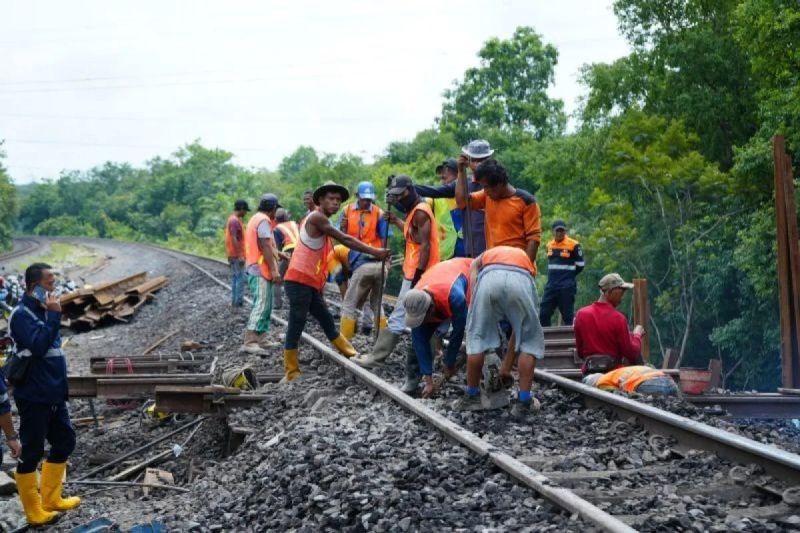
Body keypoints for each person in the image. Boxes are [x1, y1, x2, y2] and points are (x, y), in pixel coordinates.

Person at [282, 181, 390, 383]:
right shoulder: (317, 218)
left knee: (326, 319)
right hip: (298, 281)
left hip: (308, 283)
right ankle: (291, 372)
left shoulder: (322, 220)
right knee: (297, 323)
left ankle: (350, 354)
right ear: (320, 201)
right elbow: (346, 239)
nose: (335, 203)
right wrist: (375, 252)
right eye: (330, 199)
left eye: (338, 200)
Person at [353, 175, 440, 394]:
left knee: (401, 316)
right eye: (396, 196)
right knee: (420, 320)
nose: (399, 200)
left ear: (410, 190)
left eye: (401, 195)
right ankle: (417, 363)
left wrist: (419, 276)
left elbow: (426, 245)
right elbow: (414, 237)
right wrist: (397, 222)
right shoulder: (413, 212)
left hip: (420, 273)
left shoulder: (420, 210)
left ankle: (377, 357)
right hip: (415, 272)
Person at [9, 263, 80, 526]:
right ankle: (34, 512)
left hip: (52, 392)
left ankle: (52, 498)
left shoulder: (41, 309)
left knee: (65, 442)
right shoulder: (21, 315)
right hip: (34, 393)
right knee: (32, 450)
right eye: (50, 284)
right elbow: (38, 347)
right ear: (33, 286)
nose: (54, 288)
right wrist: (53, 316)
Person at [454, 247, 545, 418]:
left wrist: (474, 299)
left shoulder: (488, 253)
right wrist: (507, 365)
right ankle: (524, 402)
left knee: (477, 338)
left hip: (489, 278)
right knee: (528, 341)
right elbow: (519, 332)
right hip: (521, 279)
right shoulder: (526, 258)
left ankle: (472, 396)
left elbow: (474, 267)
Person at [402, 258, 472, 397]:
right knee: (418, 338)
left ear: (431, 309)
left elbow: (457, 334)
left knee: (475, 335)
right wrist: (428, 380)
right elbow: (419, 341)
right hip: (441, 277)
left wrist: (449, 363)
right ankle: (413, 379)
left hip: (469, 274)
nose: (420, 322)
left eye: (423, 318)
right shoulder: (416, 299)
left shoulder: (455, 297)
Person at [414, 151, 488, 257]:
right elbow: (427, 194)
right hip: (450, 255)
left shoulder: (473, 187)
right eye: (441, 179)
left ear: (458, 176)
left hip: (479, 247)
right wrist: (407, 189)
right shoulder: (437, 199)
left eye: (445, 178)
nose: (442, 183)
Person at [574, 273, 645, 375]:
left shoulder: (581, 314)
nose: (622, 296)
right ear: (610, 292)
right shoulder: (619, 318)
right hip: (613, 375)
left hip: (588, 373)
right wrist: (637, 335)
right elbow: (631, 353)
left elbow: (581, 353)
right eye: (621, 291)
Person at [242, 194, 282, 354]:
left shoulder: (255, 218)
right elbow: (265, 245)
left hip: (256, 266)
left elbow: (265, 244)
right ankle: (250, 341)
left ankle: (262, 338)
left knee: (266, 305)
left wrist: (280, 254)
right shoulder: (264, 220)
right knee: (261, 303)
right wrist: (274, 270)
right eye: (275, 209)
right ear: (272, 209)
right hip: (259, 268)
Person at [329, 244, 388, 340]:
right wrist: (360, 301)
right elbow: (364, 288)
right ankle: (382, 339)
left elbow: (341, 282)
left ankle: (345, 341)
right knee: (376, 303)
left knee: (348, 304)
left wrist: (351, 316)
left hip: (364, 267)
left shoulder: (331, 256)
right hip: (382, 267)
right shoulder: (350, 250)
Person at [539, 220, 585, 327]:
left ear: (565, 231)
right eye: (557, 231)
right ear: (553, 232)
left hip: (566, 286)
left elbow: (581, 265)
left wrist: (569, 277)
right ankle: (547, 340)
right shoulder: (549, 245)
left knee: (568, 316)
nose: (560, 233)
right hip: (551, 286)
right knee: (544, 314)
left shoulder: (574, 245)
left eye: (562, 231)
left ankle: (570, 341)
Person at [338, 181, 388, 248]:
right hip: (351, 251)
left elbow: (384, 236)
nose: (365, 202)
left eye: (368, 200)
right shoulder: (346, 210)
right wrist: (342, 227)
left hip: (372, 252)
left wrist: (385, 254)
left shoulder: (379, 213)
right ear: (357, 196)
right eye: (363, 199)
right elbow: (339, 236)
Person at [583, 366, 678, 396]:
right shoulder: (613, 374)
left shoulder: (601, 383)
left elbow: (617, 395)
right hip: (670, 381)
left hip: (651, 385)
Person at [272, 208, 299, 310]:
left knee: (277, 279)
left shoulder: (277, 229)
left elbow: (279, 249)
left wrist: (278, 260)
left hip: (288, 253)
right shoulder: (294, 224)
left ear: (276, 219)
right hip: (301, 252)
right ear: (286, 217)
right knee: (298, 279)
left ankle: (277, 304)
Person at [224, 199, 249, 309]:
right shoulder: (234, 221)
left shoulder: (233, 219)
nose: (246, 213)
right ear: (241, 208)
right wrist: (240, 255)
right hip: (236, 255)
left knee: (236, 277)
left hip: (232, 254)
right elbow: (234, 238)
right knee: (239, 277)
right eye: (245, 210)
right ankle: (238, 302)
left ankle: (235, 301)